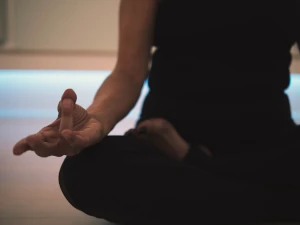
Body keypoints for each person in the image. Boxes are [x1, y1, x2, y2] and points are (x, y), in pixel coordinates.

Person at [12, 0, 300, 224]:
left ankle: (198, 171)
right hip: (162, 143)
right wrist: (97, 120)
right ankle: (263, 202)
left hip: (265, 144)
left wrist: (191, 158)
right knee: (84, 172)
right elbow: (127, 72)